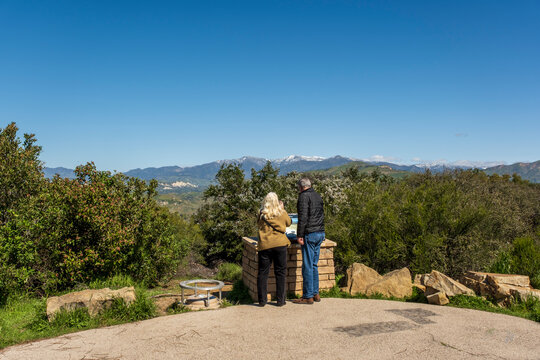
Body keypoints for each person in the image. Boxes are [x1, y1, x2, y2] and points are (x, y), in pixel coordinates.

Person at [292, 177, 325, 305]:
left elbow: (303, 217)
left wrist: (299, 235)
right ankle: (315, 293)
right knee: (314, 265)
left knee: (307, 265)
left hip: (309, 234)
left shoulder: (303, 197)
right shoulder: (318, 196)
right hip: (320, 232)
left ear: (301, 187)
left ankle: (307, 296)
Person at [257, 192, 292, 307]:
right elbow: (289, 223)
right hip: (280, 245)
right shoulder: (281, 213)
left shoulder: (261, 213)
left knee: (263, 273)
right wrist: (282, 209)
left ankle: (262, 301)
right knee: (280, 273)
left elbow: (259, 225)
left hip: (265, 245)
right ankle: (280, 300)